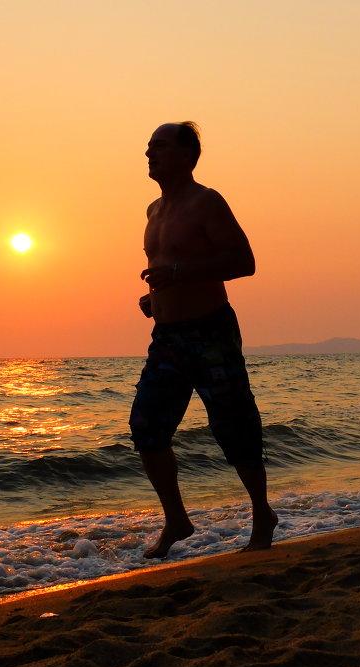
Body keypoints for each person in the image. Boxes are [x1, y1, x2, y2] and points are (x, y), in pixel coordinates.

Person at [129, 121, 278, 558]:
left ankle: (262, 514)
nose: (148, 153)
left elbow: (243, 261)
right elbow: (171, 268)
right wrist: (155, 298)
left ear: (186, 155)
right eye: (148, 146)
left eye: (158, 146)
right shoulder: (153, 211)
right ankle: (176, 519)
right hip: (167, 337)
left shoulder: (206, 202)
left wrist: (176, 275)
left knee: (234, 427)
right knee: (146, 426)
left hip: (211, 331)